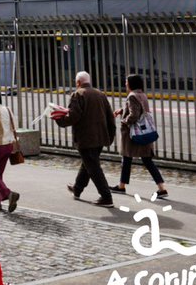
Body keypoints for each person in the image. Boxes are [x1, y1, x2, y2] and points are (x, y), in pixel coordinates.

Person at [55, 71, 117, 207]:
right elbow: (110, 117)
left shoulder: (78, 94)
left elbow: (73, 116)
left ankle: (106, 197)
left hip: (86, 138)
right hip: (100, 137)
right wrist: (110, 135)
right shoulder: (100, 94)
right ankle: (77, 189)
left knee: (93, 167)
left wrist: (58, 118)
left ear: (78, 83)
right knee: (88, 163)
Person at [112, 74, 169, 199]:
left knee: (127, 158)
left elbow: (134, 114)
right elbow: (138, 109)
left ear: (131, 83)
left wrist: (124, 121)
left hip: (134, 134)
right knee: (146, 160)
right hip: (144, 132)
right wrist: (122, 110)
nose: (125, 84)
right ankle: (161, 188)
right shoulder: (141, 94)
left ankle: (122, 186)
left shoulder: (132, 96)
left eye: (126, 82)